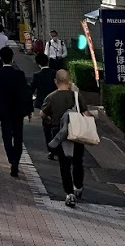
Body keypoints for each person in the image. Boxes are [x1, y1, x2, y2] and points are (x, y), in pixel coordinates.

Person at [42, 68, 92, 207]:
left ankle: (69, 193)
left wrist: (48, 119)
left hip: (59, 133)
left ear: (55, 81)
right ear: (69, 81)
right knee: (78, 161)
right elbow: (86, 112)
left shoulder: (51, 97)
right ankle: (78, 186)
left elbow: (43, 114)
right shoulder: (76, 96)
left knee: (64, 164)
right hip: (76, 132)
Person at [0, 45, 33, 177]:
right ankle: (16, 162)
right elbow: (26, 93)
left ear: (1, 58)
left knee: (6, 136)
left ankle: (11, 158)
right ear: (12, 58)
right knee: (18, 137)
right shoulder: (19, 74)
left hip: (3, 111)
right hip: (18, 111)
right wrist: (29, 109)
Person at [30, 53, 58, 157]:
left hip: (43, 104)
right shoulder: (54, 73)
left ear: (38, 63)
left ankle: (51, 150)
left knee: (46, 127)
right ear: (47, 61)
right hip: (55, 103)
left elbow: (32, 88)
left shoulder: (37, 75)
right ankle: (57, 146)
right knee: (56, 125)